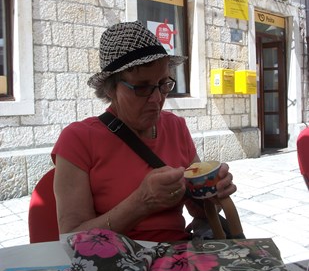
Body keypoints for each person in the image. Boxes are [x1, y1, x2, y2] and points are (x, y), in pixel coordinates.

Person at [52, 20, 237, 242]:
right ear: (111, 89)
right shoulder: (78, 140)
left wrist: (212, 194)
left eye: (163, 84)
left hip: (179, 258)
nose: (157, 99)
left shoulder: (176, 127)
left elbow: (198, 210)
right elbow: (72, 238)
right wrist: (142, 202)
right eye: (141, 87)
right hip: (115, 264)